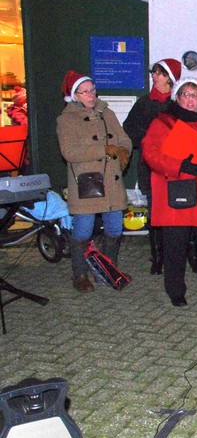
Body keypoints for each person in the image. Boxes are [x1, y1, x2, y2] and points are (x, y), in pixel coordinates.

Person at [142, 78, 197, 307]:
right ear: (177, 97)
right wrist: (180, 165)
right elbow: (151, 154)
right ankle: (175, 290)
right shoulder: (163, 123)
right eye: (186, 95)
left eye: (195, 95)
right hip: (177, 191)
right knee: (175, 245)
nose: (191, 100)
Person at [57, 70, 132, 293]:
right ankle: (79, 274)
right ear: (74, 95)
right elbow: (69, 151)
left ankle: (109, 270)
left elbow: (123, 138)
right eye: (85, 91)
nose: (91, 95)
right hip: (88, 183)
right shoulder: (66, 119)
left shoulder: (105, 112)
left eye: (93, 90)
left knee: (115, 228)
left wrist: (124, 152)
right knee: (83, 230)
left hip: (112, 181)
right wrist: (103, 149)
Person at [123, 58, 182, 275]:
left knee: (177, 211)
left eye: (159, 73)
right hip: (149, 165)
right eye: (154, 72)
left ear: (170, 78)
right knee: (155, 211)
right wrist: (149, 139)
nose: (154, 76)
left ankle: (179, 254)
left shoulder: (178, 104)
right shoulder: (144, 103)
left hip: (174, 167)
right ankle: (157, 257)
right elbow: (128, 130)